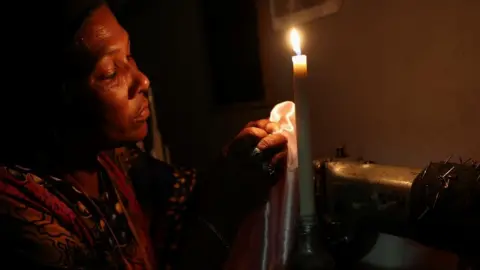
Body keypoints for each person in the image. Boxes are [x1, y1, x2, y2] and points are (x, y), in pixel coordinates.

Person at [0, 1, 288, 269]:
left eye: (129, 55)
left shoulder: (114, 161)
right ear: (57, 96)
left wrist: (234, 164)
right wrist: (221, 214)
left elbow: (188, 195)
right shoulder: (21, 215)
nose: (143, 80)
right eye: (111, 72)